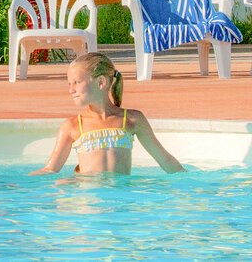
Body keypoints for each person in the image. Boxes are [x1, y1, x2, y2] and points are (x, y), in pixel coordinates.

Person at [32, 51, 185, 175]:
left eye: (77, 82)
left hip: (120, 199)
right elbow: (50, 170)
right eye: (69, 84)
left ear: (101, 83)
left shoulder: (132, 120)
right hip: (88, 200)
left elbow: (165, 160)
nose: (71, 90)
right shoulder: (72, 126)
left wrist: (191, 185)